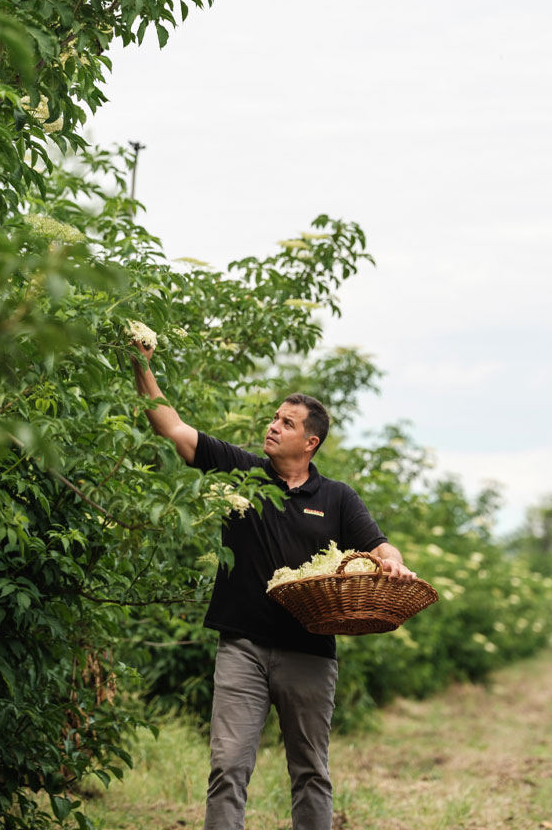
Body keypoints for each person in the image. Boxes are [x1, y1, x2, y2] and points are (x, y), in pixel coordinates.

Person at [131, 336, 415, 830]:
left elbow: (379, 546)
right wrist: (141, 365)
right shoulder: (242, 471)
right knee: (228, 767)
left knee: (310, 772)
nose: (273, 426)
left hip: (309, 653)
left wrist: (394, 564)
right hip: (242, 647)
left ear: (310, 442)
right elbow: (171, 427)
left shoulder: (338, 498)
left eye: (287, 423)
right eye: (275, 418)